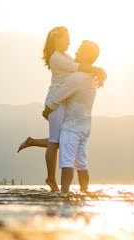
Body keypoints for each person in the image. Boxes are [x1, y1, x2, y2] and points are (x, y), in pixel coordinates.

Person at [17, 27, 106, 191]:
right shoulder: (56, 58)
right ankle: (51, 179)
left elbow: (79, 65)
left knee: (60, 141)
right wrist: (98, 70)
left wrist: (96, 70)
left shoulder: (66, 57)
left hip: (65, 101)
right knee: (54, 142)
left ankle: (32, 141)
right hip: (56, 102)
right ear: (57, 39)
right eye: (66, 38)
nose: (70, 42)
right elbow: (78, 67)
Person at [42, 40, 101, 193]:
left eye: (80, 50)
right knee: (82, 164)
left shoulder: (77, 78)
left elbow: (57, 97)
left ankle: (64, 193)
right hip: (85, 126)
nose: (76, 53)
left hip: (72, 127)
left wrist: (46, 111)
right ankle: (84, 191)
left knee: (67, 162)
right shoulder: (90, 77)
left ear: (87, 54)